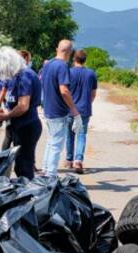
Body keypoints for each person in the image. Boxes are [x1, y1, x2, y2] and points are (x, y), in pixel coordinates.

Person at [0, 47, 42, 179]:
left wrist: (6, 116)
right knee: (20, 165)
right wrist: (3, 110)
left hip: (27, 127)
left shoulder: (25, 76)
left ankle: (28, 195)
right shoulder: (15, 77)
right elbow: (12, 101)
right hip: (19, 127)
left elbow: (23, 106)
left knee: (24, 167)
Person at [41, 40, 81, 177]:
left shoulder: (48, 64)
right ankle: (50, 176)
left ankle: (45, 170)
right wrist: (75, 112)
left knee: (50, 142)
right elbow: (64, 90)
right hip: (58, 111)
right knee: (56, 146)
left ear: (57, 48)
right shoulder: (62, 66)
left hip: (48, 109)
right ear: (70, 52)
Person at [64, 49, 97, 174]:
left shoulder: (69, 72)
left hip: (69, 108)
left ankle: (69, 159)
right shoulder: (91, 74)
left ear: (74, 59)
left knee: (70, 134)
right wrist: (88, 103)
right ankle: (78, 160)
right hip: (84, 109)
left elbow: (64, 91)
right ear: (85, 60)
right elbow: (93, 93)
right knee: (82, 135)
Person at [0, 50, 35, 151]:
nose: (29, 62)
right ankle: (20, 162)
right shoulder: (25, 75)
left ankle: (2, 161)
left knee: (8, 136)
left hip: (10, 109)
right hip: (18, 112)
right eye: (28, 60)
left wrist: (0, 105)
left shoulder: (9, 74)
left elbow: (3, 92)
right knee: (18, 140)